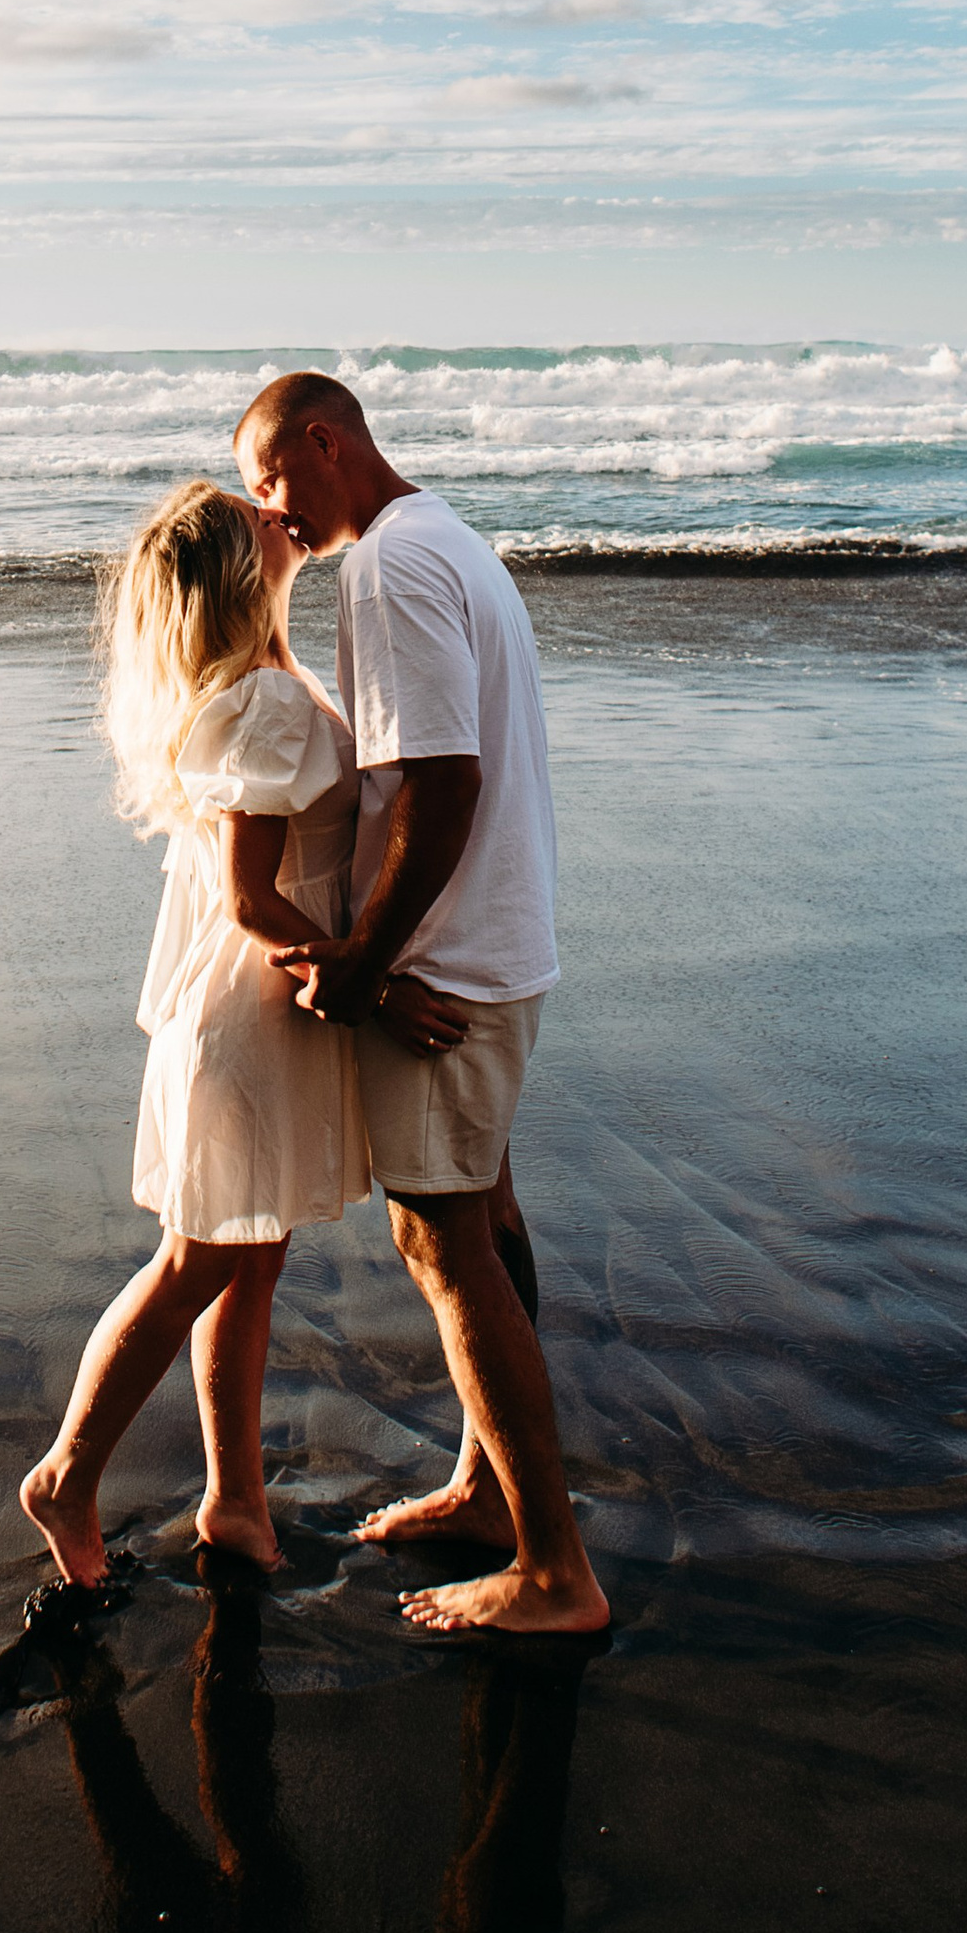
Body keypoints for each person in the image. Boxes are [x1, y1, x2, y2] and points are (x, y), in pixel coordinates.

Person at [233, 372, 609, 1640]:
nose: (266, 509)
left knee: (443, 1245)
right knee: (482, 1219)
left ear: (323, 443)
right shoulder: (444, 537)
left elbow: (440, 786)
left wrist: (363, 961)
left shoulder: (387, 569)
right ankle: (491, 1495)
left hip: (447, 968)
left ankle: (551, 1570)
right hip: (500, 943)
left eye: (271, 477)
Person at [21, 478, 369, 1587]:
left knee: (248, 1262)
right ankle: (67, 1478)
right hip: (251, 1015)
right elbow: (256, 899)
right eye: (256, 513)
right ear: (235, 569)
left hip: (247, 1014)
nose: (282, 510)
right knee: (198, 1262)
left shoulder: (249, 687)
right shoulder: (262, 704)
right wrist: (370, 984)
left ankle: (234, 1502)